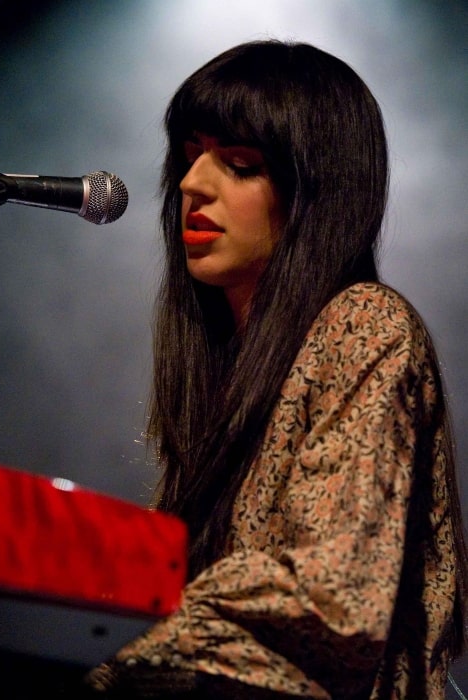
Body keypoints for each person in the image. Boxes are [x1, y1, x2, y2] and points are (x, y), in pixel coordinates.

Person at [85, 40, 467, 698]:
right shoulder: (227, 368)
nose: (192, 185)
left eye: (238, 164)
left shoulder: (363, 325)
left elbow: (336, 592)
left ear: (315, 194)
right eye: (189, 156)